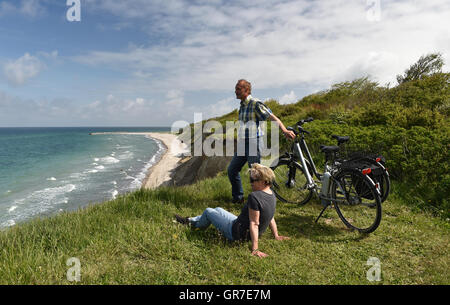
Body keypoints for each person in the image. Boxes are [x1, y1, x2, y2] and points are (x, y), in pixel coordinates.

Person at [175, 163, 290, 258]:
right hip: (240, 225)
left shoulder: (255, 197)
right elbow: (271, 216)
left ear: (264, 181)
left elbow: (254, 224)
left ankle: (195, 226)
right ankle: (190, 220)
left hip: (237, 233)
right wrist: (276, 235)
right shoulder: (271, 194)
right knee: (218, 209)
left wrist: (255, 249)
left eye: (253, 180)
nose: (250, 183)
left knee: (209, 211)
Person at [228, 79, 296, 204]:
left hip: (254, 142)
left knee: (255, 174)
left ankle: (260, 201)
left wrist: (284, 130)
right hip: (244, 143)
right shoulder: (242, 106)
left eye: (238, 89)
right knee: (232, 170)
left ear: (246, 90)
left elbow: (272, 117)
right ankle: (238, 198)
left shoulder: (255, 103)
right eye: (235, 88)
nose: (235, 91)